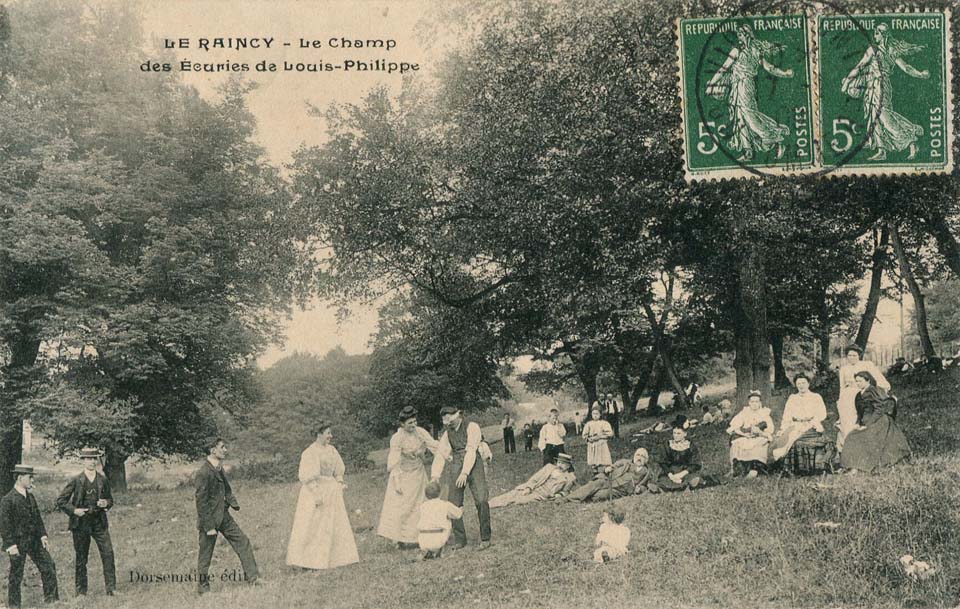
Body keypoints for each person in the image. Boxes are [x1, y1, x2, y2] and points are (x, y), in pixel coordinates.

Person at [706, 23, 795, 160]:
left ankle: (775, 140)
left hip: (744, 86)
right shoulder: (750, 50)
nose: (739, 37)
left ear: (747, 35)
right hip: (740, 86)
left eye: (741, 34)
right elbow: (724, 68)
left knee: (749, 116)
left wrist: (785, 74)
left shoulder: (744, 51)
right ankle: (748, 151)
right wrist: (785, 73)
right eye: (738, 35)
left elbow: (768, 68)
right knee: (740, 116)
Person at [842, 24, 929, 161]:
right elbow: (860, 67)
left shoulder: (890, 50)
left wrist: (920, 74)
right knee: (874, 116)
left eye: (876, 33)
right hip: (871, 85)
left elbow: (905, 67)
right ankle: (881, 151)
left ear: (883, 35)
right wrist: (847, 81)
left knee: (884, 116)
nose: (874, 35)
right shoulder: (872, 49)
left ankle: (911, 137)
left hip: (882, 86)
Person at [286, 423, 359, 569]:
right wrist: (316, 493)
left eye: (331, 433)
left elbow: (338, 469)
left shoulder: (332, 450)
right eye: (328, 433)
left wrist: (339, 482)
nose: (331, 436)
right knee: (312, 526)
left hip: (331, 491)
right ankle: (309, 561)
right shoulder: (309, 452)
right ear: (319, 434)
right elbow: (307, 476)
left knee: (333, 524)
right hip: (314, 491)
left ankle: (335, 558)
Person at [195, 438, 259, 593]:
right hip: (209, 519)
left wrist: (231, 502)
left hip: (223, 516)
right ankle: (203, 588)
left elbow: (226, 489)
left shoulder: (217, 467)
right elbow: (201, 502)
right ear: (212, 450)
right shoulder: (204, 472)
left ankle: (253, 578)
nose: (225, 450)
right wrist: (209, 526)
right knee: (205, 554)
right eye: (222, 447)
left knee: (242, 541)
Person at [55, 447, 116, 597]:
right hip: (81, 523)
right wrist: (74, 511)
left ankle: (111, 589)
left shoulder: (103, 479)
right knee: (81, 557)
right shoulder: (76, 480)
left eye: (94, 458)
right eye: (89, 459)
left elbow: (110, 500)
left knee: (108, 553)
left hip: (99, 522)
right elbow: (61, 501)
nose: (92, 462)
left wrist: (106, 503)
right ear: (83, 460)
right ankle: (81, 591)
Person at [377, 407, 440, 549]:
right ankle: (401, 538)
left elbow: (432, 445)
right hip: (403, 474)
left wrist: (445, 454)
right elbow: (394, 460)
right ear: (402, 424)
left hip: (418, 472)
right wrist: (397, 482)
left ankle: (419, 536)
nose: (413, 425)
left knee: (420, 504)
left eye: (414, 421)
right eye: (410, 423)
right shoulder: (397, 438)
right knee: (403, 506)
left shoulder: (420, 432)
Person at [431, 406, 492, 550]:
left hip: (473, 462)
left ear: (458, 415)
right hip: (457, 463)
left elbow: (471, 450)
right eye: (447, 422)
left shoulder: (472, 427)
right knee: (453, 501)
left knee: (482, 499)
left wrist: (465, 473)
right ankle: (460, 539)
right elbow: (441, 454)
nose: (449, 423)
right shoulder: (447, 434)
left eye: (451, 420)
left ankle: (485, 537)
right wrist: (435, 476)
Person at [1, 465, 59, 608]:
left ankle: (52, 601)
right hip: (17, 544)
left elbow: (37, 519)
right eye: (29, 477)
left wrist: (43, 536)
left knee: (49, 566)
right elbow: (4, 525)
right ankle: (14, 605)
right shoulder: (8, 500)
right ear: (20, 478)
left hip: (34, 542)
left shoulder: (30, 497)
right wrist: (10, 545)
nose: (32, 479)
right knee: (16, 575)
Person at [840, 371, 912, 473]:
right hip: (865, 421)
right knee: (851, 436)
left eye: (860, 381)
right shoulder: (859, 394)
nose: (858, 384)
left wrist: (868, 424)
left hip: (879, 421)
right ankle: (853, 466)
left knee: (859, 438)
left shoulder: (872, 391)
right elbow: (860, 412)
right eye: (856, 381)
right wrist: (858, 423)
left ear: (868, 380)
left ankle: (859, 467)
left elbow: (879, 409)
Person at [837, 346, 890, 452]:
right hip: (847, 396)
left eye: (854, 355)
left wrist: (882, 390)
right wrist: (840, 399)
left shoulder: (867, 365)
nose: (852, 358)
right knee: (847, 421)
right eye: (849, 355)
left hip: (863, 394)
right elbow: (842, 386)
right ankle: (848, 445)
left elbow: (878, 378)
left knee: (861, 417)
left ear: (859, 355)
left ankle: (862, 444)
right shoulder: (843, 369)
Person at [770, 374, 828, 462]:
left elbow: (822, 413)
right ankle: (780, 461)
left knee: (794, 438)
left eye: (803, 383)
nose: (801, 385)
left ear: (808, 384)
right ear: (796, 385)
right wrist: (783, 428)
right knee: (782, 438)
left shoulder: (816, 397)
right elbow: (787, 415)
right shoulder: (793, 398)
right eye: (799, 383)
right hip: (795, 424)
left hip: (810, 425)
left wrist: (813, 422)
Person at [564, 448, 656, 502]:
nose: (639, 458)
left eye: (642, 456)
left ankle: (578, 493)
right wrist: (608, 469)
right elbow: (613, 466)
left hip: (620, 490)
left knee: (599, 496)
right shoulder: (625, 462)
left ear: (646, 460)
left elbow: (648, 487)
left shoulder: (647, 472)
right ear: (634, 456)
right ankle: (567, 498)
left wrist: (640, 489)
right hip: (610, 481)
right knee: (595, 484)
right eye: (637, 455)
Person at [489, 453, 577, 508]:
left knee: (520, 500)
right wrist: (528, 488)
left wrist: (559, 495)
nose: (560, 465)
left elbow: (567, 491)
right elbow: (535, 478)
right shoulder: (549, 467)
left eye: (563, 463)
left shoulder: (569, 477)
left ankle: (499, 504)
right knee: (513, 493)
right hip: (534, 487)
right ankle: (489, 504)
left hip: (541, 495)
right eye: (559, 462)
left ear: (568, 466)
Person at [652, 418, 714, 491]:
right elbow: (663, 463)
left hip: (685, 471)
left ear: (685, 434)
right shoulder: (668, 445)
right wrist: (671, 475)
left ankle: (688, 484)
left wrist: (681, 474)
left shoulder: (690, 445)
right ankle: (663, 487)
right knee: (663, 480)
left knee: (693, 477)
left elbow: (694, 464)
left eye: (678, 433)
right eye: (674, 433)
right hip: (671, 471)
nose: (675, 436)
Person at [726, 391, 775, 478]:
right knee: (738, 443)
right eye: (752, 402)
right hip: (747, 435)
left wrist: (760, 432)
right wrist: (745, 434)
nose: (754, 404)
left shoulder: (764, 413)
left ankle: (754, 469)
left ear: (760, 403)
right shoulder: (745, 412)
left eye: (757, 402)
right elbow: (735, 426)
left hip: (760, 436)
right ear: (749, 403)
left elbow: (770, 430)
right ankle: (737, 469)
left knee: (758, 444)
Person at [417, 481, 463, 560]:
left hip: (422, 540)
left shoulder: (422, 506)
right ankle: (441, 549)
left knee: (428, 522)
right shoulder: (445, 504)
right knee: (448, 520)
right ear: (439, 492)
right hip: (439, 539)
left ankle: (429, 551)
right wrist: (461, 509)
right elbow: (458, 515)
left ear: (426, 495)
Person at [582, 408, 614, 475]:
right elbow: (584, 435)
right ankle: (595, 473)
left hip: (601, 444)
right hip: (592, 444)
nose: (595, 415)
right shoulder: (589, 424)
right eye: (593, 414)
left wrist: (600, 437)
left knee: (603, 460)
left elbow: (610, 434)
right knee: (594, 461)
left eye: (597, 414)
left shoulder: (604, 423)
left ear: (600, 414)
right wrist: (588, 439)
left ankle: (605, 472)